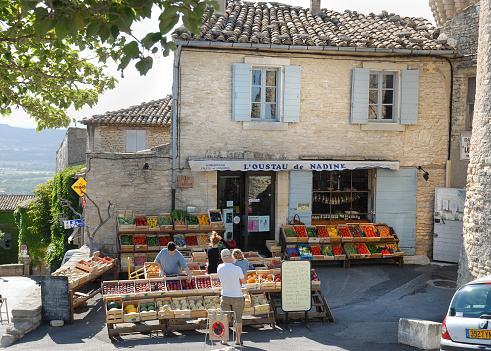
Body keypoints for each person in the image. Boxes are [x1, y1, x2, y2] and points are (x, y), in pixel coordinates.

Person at [217, 249, 247, 346]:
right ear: (231, 256)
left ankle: (224, 340)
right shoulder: (237, 268)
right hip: (237, 296)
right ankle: (237, 340)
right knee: (238, 319)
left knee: (225, 318)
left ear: (222, 258)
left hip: (225, 296)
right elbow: (245, 281)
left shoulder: (219, 268)